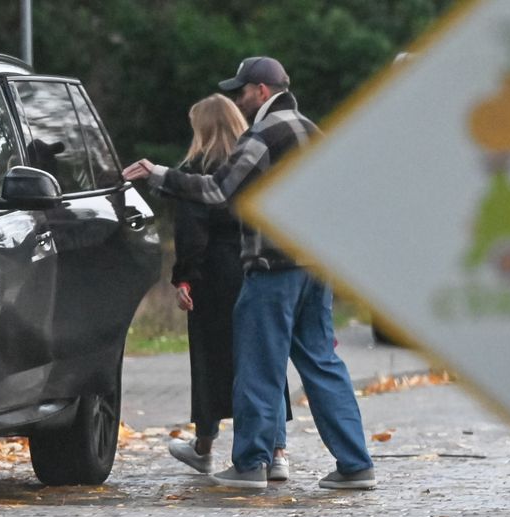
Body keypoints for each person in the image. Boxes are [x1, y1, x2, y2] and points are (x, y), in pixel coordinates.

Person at [123, 56, 376, 489]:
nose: (238, 100)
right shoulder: (312, 130)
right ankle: (356, 465)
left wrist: (160, 174)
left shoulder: (265, 133)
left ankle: (250, 464)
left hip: (274, 266)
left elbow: (217, 188)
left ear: (261, 91)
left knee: (258, 364)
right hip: (316, 268)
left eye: (242, 91)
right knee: (322, 363)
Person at [166, 94, 292, 481]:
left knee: (210, 358)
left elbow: (193, 231)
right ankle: (277, 451)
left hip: (215, 273)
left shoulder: (194, 169)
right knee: (263, 359)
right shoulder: (254, 160)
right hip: (258, 266)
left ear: (201, 128)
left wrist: (185, 276)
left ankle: (204, 445)